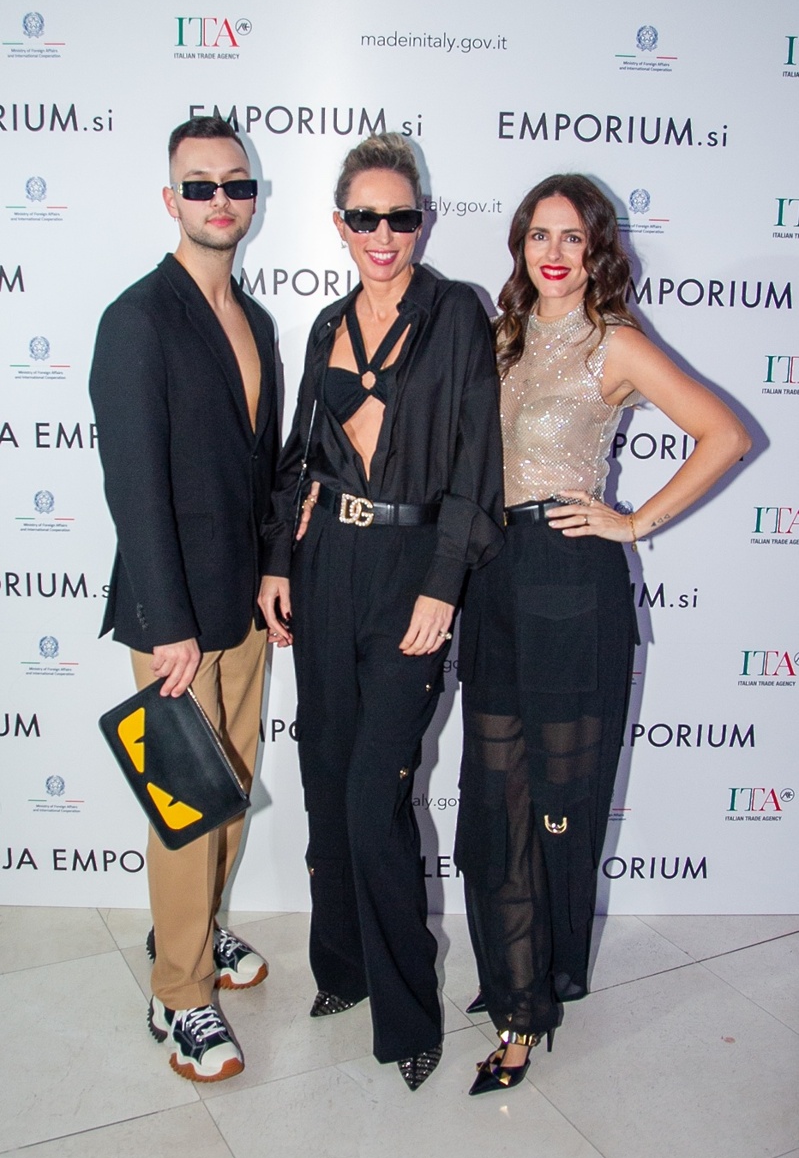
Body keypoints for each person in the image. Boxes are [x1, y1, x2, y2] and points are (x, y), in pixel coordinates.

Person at [454, 174, 751, 1095]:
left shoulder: (613, 341)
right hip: (491, 579)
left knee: (557, 803)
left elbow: (724, 434)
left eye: (571, 237)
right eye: (538, 235)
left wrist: (632, 521)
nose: (553, 253)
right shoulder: (499, 335)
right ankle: (513, 978)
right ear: (519, 245)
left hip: (571, 584)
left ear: (595, 252)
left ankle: (526, 1007)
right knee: (492, 800)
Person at [259, 133, 504, 1090]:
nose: (383, 233)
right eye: (365, 216)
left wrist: (444, 582)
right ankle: (344, 968)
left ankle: (409, 1016)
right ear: (339, 223)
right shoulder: (326, 322)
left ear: (422, 222)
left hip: (411, 567)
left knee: (375, 796)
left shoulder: (457, 314)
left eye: (400, 216)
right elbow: (302, 453)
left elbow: (476, 461)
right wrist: (278, 559)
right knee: (325, 777)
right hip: (327, 564)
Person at [90, 116, 278, 1082]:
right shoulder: (137, 319)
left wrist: (276, 571)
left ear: (253, 197)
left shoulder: (258, 321)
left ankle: (197, 928)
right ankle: (179, 993)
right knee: (189, 807)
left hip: (243, 604)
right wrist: (167, 625)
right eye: (198, 186)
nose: (219, 201)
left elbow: (266, 468)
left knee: (230, 789)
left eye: (235, 184)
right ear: (172, 201)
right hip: (175, 621)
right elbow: (133, 486)